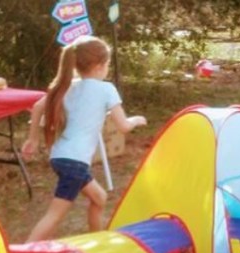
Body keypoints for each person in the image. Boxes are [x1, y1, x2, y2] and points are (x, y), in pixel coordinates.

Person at [21, 36, 147, 242]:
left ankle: (98, 243)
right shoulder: (107, 89)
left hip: (61, 157)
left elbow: (37, 107)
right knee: (54, 215)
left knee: (99, 198)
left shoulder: (69, 86)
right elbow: (123, 126)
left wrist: (32, 139)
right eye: (107, 64)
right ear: (99, 66)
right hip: (75, 162)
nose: (107, 69)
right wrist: (136, 120)